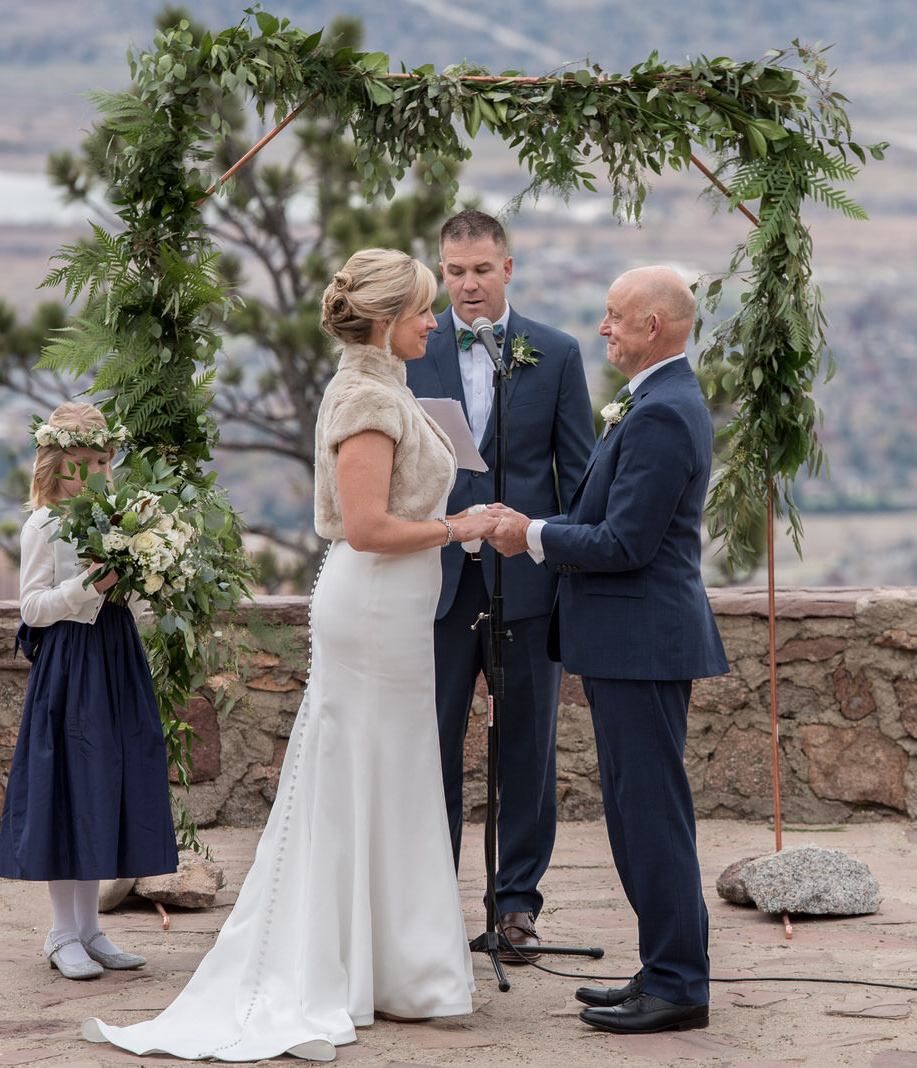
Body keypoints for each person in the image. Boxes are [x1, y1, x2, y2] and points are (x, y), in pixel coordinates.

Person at [83, 249, 499, 1061]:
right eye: (421, 309)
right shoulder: (367, 399)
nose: (433, 320)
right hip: (372, 608)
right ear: (385, 320)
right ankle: (344, 969)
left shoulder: (389, 387)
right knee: (361, 774)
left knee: (396, 775)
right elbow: (365, 526)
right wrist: (462, 526)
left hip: (396, 611)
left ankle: (392, 968)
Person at [485, 265, 728, 1034]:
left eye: (616, 317)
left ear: (654, 326)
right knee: (637, 814)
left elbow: (626, 541)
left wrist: (531, 535)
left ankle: (679, 983)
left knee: (652, 816)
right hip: (632, 644)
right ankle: (663, 969)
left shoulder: (662, 412)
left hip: (643, 644)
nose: (604, 329)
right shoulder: (658, 399)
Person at [404, 209, 593, 961]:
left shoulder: (555, 352)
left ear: (508, 268)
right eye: (455, 271)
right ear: (440, 272)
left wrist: (557, 560)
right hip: (440, 587)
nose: (468, 283)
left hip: (528, 587)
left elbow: (577, 481)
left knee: (527, 753)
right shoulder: (414, 351)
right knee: (431, 749)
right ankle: (426, 903)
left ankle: (516, 908)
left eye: (482, 269)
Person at [0, 402, 177, 981]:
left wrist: (151, 574)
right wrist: (86, 585)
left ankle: (92, 930)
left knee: (106, 784)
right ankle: (61, 932)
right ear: (55, 465)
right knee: (69, 785)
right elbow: (32, 607)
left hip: (115, 658)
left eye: (104, 459)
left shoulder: (120, 518)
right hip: (71, 665)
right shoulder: (44, 525)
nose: (97, 471)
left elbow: (135, 598)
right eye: (83, 462)